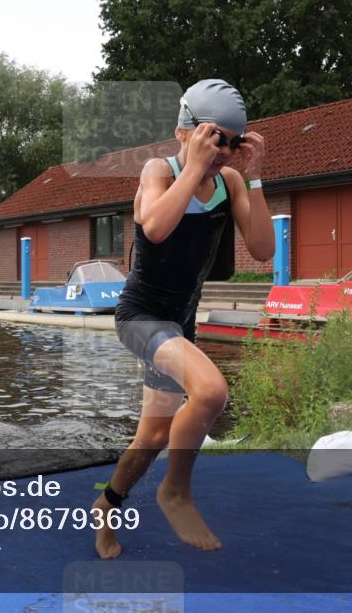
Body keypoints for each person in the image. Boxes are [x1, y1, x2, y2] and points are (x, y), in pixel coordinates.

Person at [93, 79, 274, 559]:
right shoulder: (159, 171)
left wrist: (253, 175)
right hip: (141, 316)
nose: (223, 153)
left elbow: (262, 249)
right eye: (214, 140)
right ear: (184, 133)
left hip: (179, 324)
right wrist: (191, 169)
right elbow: (153, 228)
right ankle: (175, 491)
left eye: (232, 144)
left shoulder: (231, 182)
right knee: (212, 391)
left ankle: (106, 506)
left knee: (153, 435)